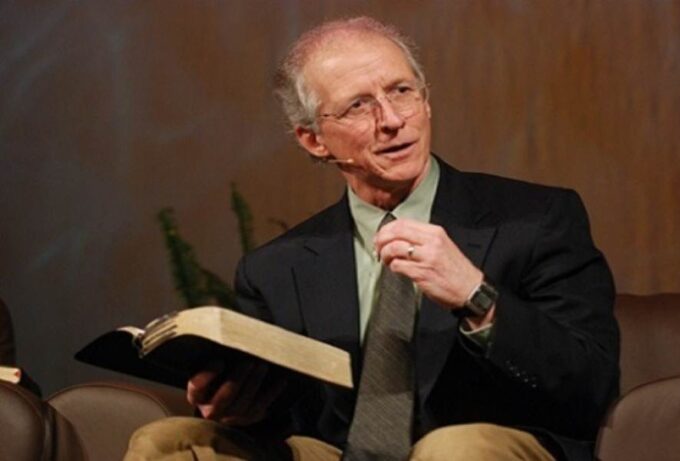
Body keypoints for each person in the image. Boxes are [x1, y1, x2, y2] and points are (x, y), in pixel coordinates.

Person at [125, 16, 619, 461]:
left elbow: (592, 382)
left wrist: (477, 296)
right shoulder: (275, 268)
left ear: (425, 101)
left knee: (452, 450)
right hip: (339, 454)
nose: (392, 120)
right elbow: (285, 421)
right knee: (167, 444)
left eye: (401, 91)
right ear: (313, 139)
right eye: (359, 106)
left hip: (486, 447)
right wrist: (240, 406)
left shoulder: (535, 219)